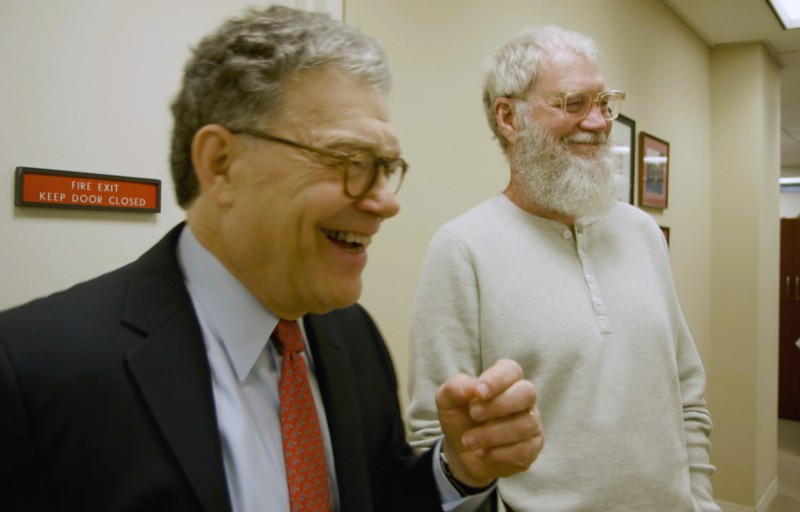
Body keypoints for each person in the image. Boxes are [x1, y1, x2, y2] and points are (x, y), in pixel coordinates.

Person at [0, 7, 544, 512]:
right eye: (352, 161)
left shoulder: (352, 337)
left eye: (388, 167)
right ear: (221, 164)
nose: (386, 202)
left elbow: (378, 496)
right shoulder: (33, 371)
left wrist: (458, 471)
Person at [407, 25, 721, 512]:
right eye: (574, 103)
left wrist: (700, 501)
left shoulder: (642, 233)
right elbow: (439, 437)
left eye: (604, 102)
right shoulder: (461, 248)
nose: (597, 122)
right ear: (509, 117)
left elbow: (687, 394)